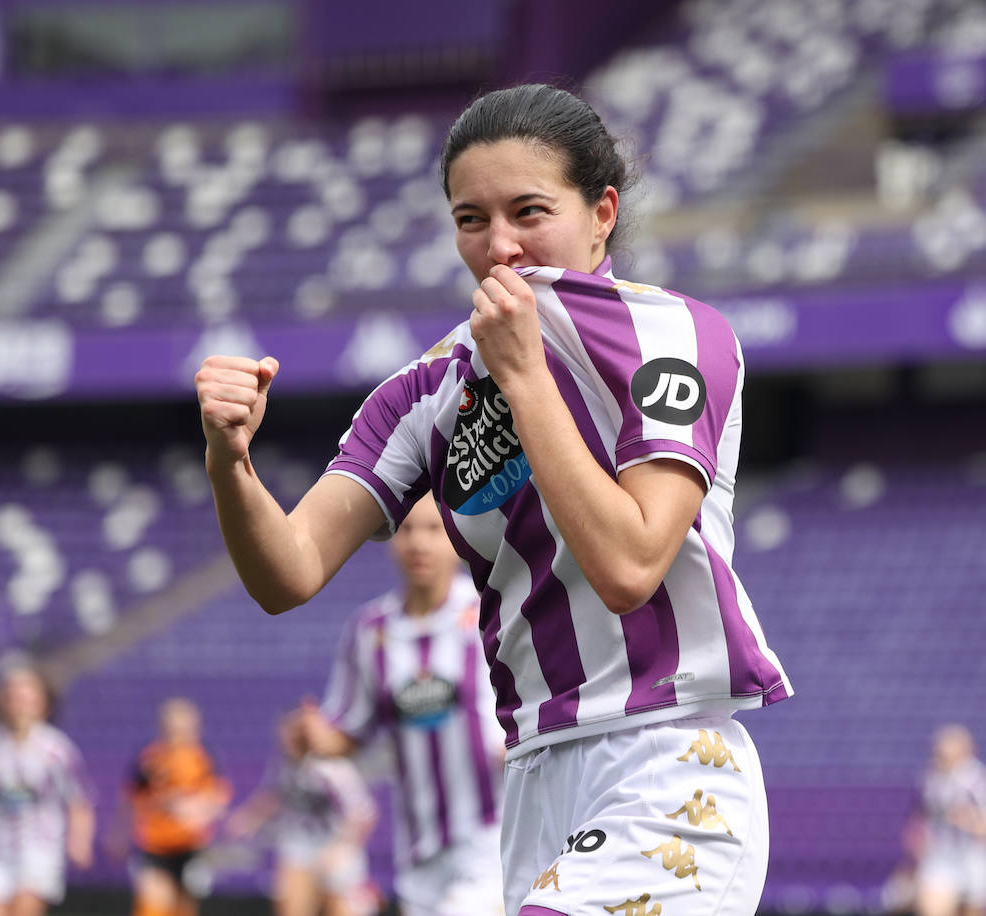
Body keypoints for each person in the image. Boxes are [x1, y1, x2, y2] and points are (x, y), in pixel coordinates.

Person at [196, 83, 793, 916]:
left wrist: (523, 372)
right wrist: (231, 462)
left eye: (529, 211)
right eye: (471, 220)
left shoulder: (676, 335)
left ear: (602, 212)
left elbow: (630, 565)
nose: (500, 246)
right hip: (533, 784)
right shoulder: (422, 394)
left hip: (667, 761)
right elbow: (286, 573)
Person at [301, 497, 507, 916]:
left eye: (433, 529)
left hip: (491, 841)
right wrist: (314, 738)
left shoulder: (492, 612)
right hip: (417, 853)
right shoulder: (370, 630)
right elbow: (348, 732)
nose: (419, 543)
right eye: (407, 530)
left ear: (454, 537)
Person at [0, 662, 94, 916]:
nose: (20, 705)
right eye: (14, 697)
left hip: (39, 850)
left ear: (43, 703)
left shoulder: (56, 749)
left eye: (27, 698)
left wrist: (79, 840)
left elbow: (78, 800)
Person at [224, 706, 378, 916]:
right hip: (298, 844)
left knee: (340, 908)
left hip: (332, 845)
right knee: (292, 904)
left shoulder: (332, 768)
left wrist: (342, 846)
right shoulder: (287, 765)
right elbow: (277, 795)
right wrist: (250, 818)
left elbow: (363, 813)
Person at [124, 697, 232, 916]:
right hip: (156, 846)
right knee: (153, 906)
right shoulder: (150, 758)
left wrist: (197, 810)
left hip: (191, 847)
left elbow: (218, 799)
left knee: (184, 908)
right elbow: (133, 797)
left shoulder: (204, 758)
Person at [906, 725, 986, 916]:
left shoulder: (980, 781)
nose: (939, 757)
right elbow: (919, 817)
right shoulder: (930, 779)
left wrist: (969, 820)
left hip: (974, 858)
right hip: (940, 857)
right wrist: (916, 846)